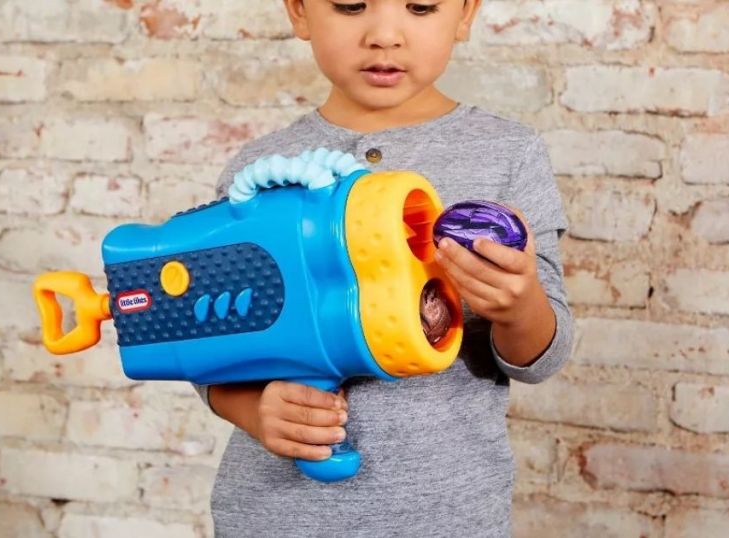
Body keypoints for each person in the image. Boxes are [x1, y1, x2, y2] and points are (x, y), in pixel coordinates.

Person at [193, 1, 572, 536]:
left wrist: (519, 305)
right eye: (350, 5)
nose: (385, 36)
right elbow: (211, 345)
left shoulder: (508, 154)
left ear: (465, 14)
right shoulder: (257, 172)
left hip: (447, 518)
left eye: (420, 6)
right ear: (299, 12)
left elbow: (539, 357)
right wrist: (253, 409)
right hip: (278, 517)